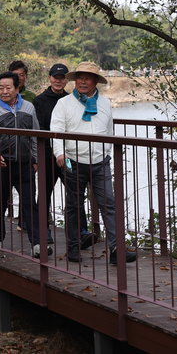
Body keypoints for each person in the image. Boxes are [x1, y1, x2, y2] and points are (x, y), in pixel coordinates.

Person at [50, 61, 136, 264]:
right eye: (79, 77)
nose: (82, 81)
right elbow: (56, 130)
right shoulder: (64, 104)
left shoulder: (105, 103)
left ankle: (117, 250)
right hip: (73, 160)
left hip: (100, 161)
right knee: (74, 205)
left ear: (95, 81)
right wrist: (60, 153)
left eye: (87, 78)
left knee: (109, 204)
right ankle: (73, 248)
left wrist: (106, 152)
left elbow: (108, 131)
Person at [0, 72, 50, 258]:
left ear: (17, 88)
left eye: (8, 88)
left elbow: (35, 134)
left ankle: (37, 243)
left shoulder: (28, 108)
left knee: (29, 203)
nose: (4, 91)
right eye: (1, 88)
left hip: (25, 163)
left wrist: (36, 159)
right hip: (2, 164)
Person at [33, 64, 97, 247]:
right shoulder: (40, 101)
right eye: (55, 77)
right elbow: (39, 129)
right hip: (47, 155)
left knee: (75, 191)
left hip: (68, 156)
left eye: (62, 77)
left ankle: (81, 231)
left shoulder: (72, 100)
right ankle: (43, 230)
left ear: (66, 80)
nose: (58, 80)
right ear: (50, 78)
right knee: (45, 191)